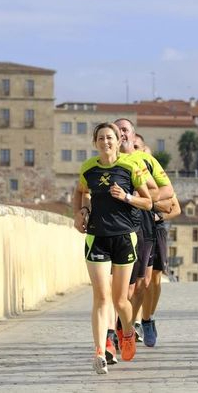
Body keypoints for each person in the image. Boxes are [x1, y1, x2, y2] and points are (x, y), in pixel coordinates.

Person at [73, 122, 157, 374]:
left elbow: (148, 201)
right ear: (95, 142)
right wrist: (81, 211)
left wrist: (127, 197)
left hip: (124, 237)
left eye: (110, 137)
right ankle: (100, 350)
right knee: (101, 297)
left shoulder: (130, 167)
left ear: (118, 140)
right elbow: (80, 191)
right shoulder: (88, 169)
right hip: (97, 236)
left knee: (121, 300)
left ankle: (128, 332)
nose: (106, 142)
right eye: (101, 138)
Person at [113, 118, 178, 348]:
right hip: (117, 227)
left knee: (143, 284)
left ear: (132, 134)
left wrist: (145, 200)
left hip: (145, 226)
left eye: (125, 129)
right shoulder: (107, 161)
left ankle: (135, 324)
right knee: (124, 286)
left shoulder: (146, 160)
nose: (120, 133)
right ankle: (120, 329)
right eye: (116, 129)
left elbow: (168, 190)